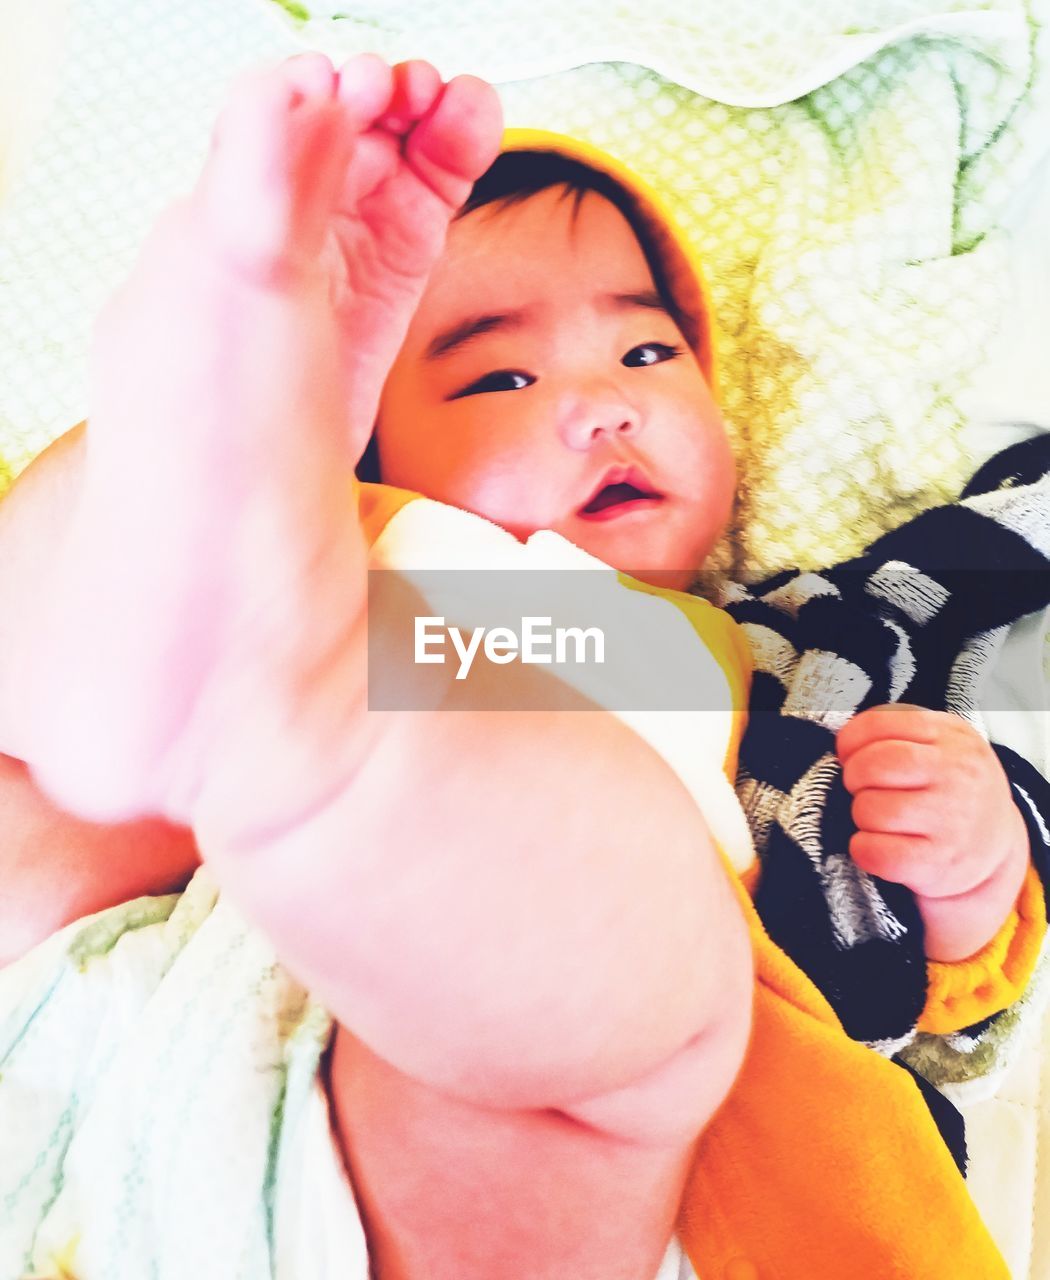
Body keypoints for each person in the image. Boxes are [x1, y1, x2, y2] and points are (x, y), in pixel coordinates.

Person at [0, 51, 1036, 1278]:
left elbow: (932, 999)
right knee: (71, 732)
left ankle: (249, 589)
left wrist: (967, 866)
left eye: (647, 355)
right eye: (500, 373)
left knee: (635, 939)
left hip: (448, 1178)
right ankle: (235, 426)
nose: (601, 403)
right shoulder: (409, 551)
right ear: (388, 440)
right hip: (85, 1038)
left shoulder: (780, 657)